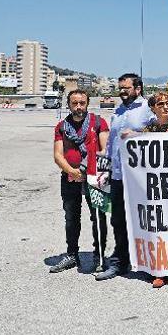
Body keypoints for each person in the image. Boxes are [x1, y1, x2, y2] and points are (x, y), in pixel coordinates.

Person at [96, 73, 155, 281]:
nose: (122, 91)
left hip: (140, 176)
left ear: (137, 89)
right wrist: (105, 167)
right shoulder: (118, 110)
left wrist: (138, 135)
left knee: (144, 218)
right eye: (120, 88)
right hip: (118, 174)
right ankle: (121, 261)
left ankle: (151, 262)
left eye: (126, 88)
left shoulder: (148, 109)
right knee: (118, 219)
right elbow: (112, 143)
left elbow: (159, 135)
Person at [50, 90, 109, 273]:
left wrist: (89, 170)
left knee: (98, 218)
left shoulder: (98, 122)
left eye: (82, 103)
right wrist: (72, 171)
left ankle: (99, 255)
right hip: (69, 178)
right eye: (74, 103)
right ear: (68, 105)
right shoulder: (62, 126)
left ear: (87, 104)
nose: (78, 107)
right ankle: (72, 255)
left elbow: (105, 150)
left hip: (95, 177)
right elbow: (58, 154)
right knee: (71, 218)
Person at [135, 92, 168, 288]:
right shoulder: (148, 129)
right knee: (157, 228)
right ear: (153, 108)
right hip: (155, 187)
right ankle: (158, 270)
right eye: (161, 104)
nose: (166, 107)